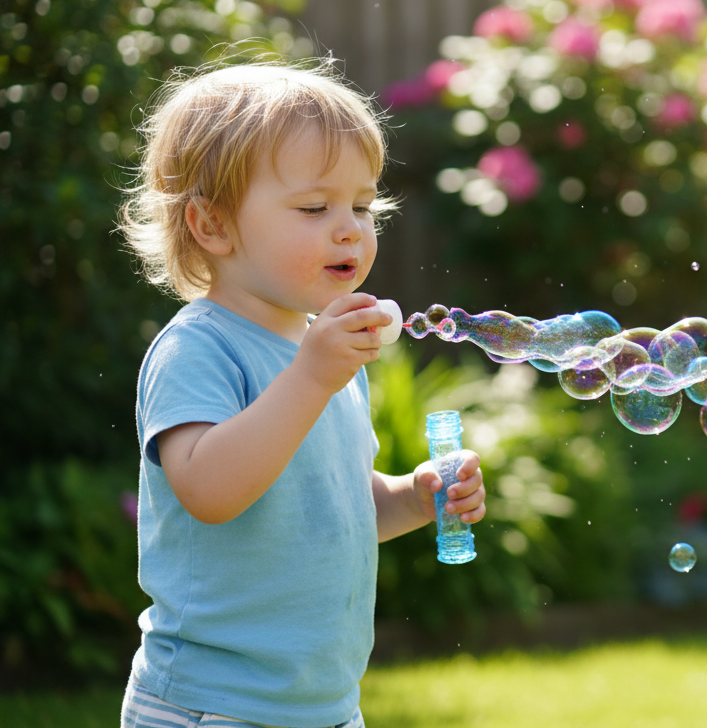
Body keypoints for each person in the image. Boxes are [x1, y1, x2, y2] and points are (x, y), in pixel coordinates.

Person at [117, 60, 486, 728]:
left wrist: (412, 496)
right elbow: (210, 491)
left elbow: (332, 503)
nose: (350, 228)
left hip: (322, 704)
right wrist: (312, 378)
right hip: (213, 703)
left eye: (362, 206)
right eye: (316, 208)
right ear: (212, 226)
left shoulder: (324, 354)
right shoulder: (198, 348)